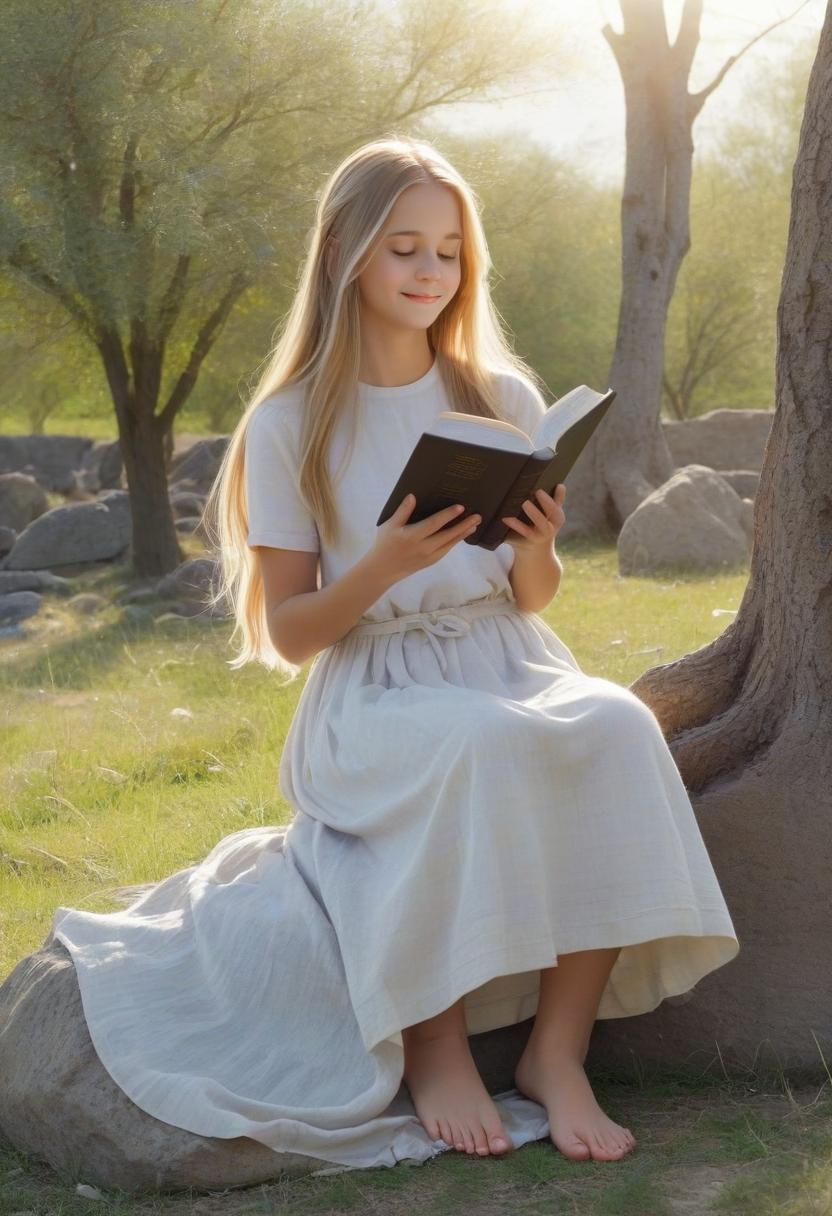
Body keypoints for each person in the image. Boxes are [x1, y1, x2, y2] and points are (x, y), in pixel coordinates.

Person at [50, 136, 740, 1174]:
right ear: (343, 253)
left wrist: (540, 541)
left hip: (509, 655)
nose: (428, 273)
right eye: (403, 249)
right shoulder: (291, 423)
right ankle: (435, 1045)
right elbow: (287, 633)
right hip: (373, 686)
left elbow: (529, 591)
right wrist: (379, 566)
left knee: (612, 723)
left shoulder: (496, 393)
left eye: (448, 254)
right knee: (476, 746)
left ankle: (559, 1053)